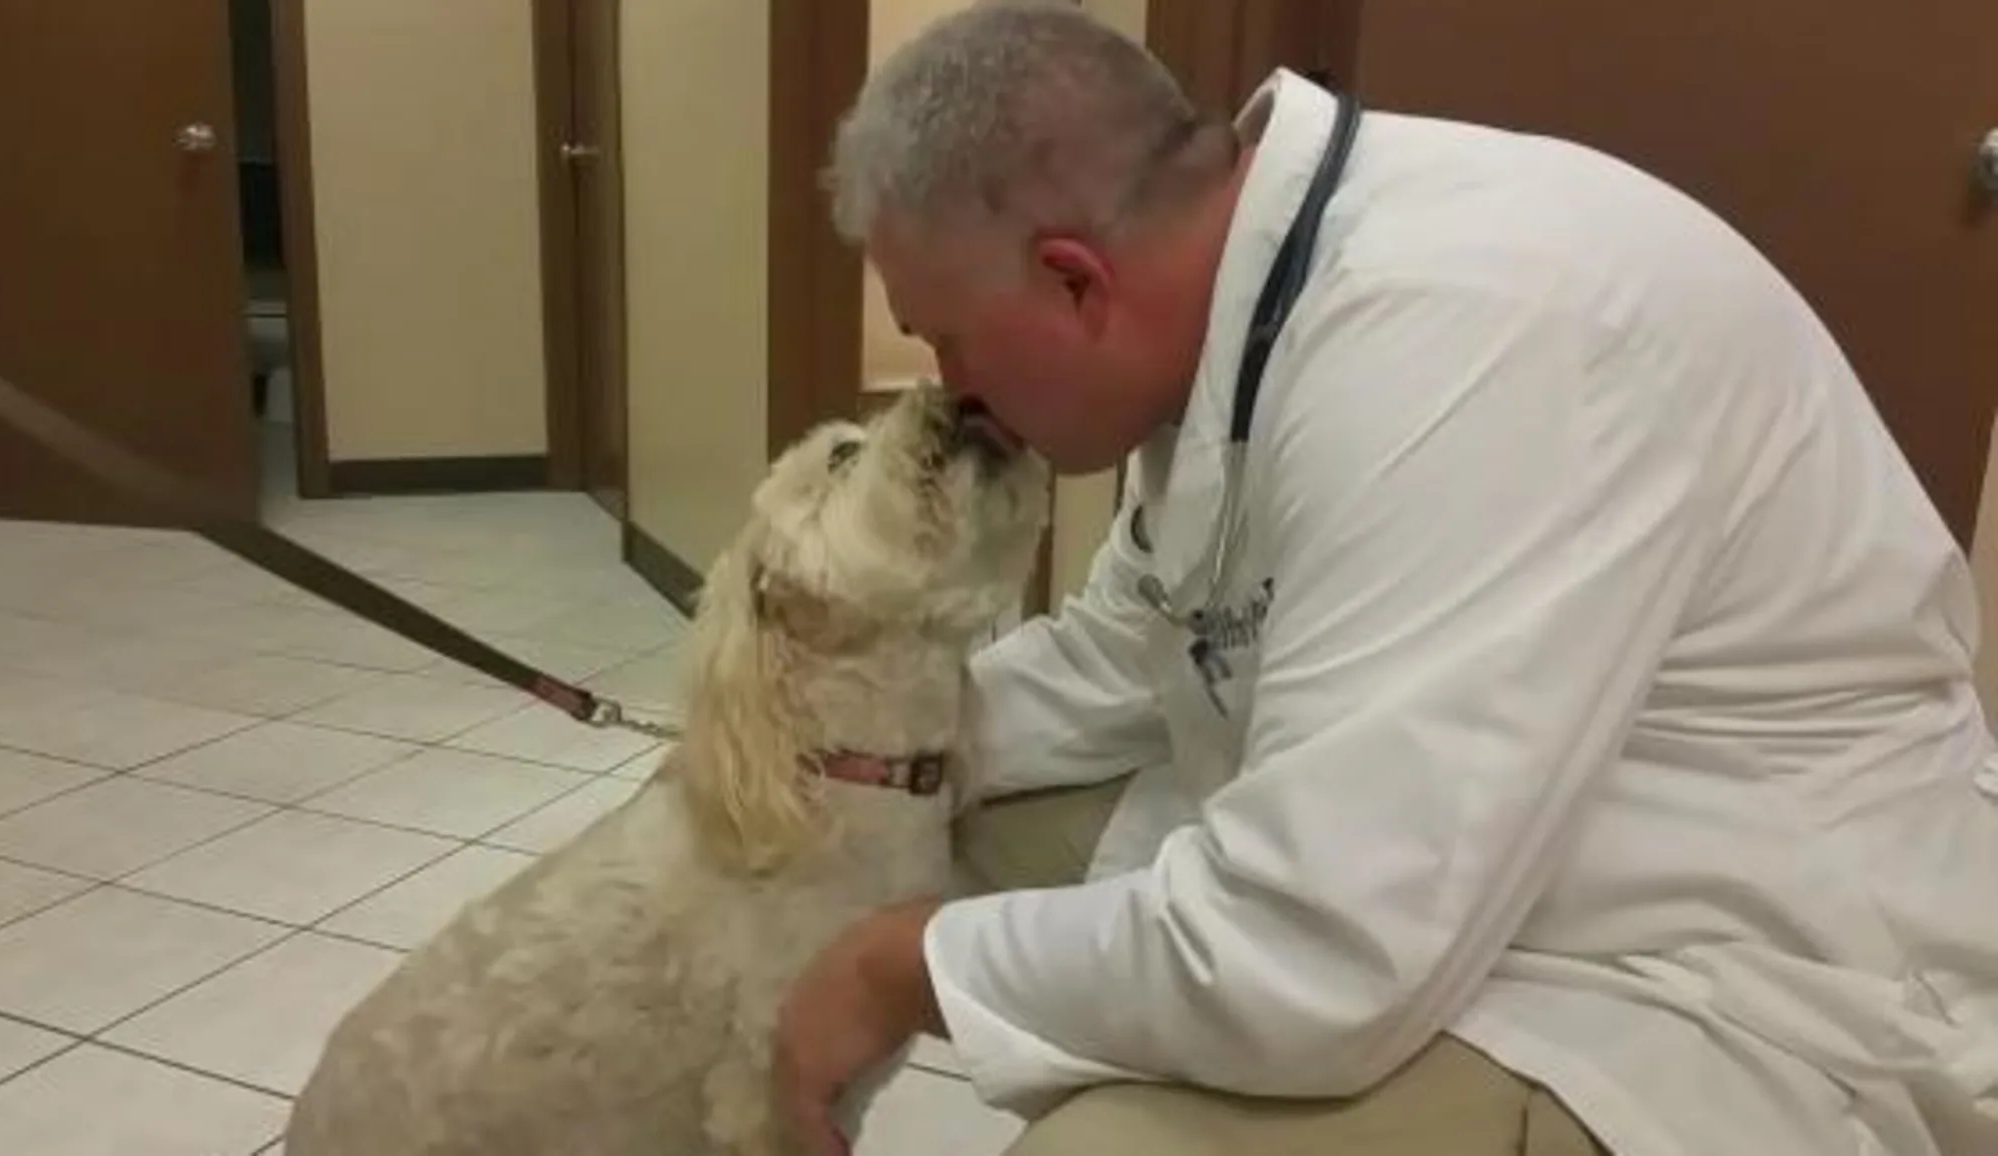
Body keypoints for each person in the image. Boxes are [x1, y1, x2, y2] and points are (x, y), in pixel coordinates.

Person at [771, 3, 1998, 1154]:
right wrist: (813, 747)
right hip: (1457, 878)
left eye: (947, 339)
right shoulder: (1241, 334)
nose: (951, 392)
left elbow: (1317, 952)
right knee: (945, 818)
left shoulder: (1465, 332)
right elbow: (1115, 655)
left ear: (1075, 278)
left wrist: (901, 967)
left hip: (1719, 963)